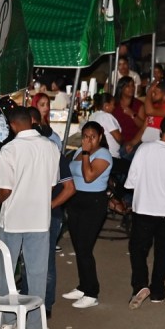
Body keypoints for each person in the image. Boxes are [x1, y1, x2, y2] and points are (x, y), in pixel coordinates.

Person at [0, 107, 58, 329]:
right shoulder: (50, 147)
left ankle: (7, 321)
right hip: (39, 219)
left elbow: (5, 190)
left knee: (6, 271)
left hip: (12, 219)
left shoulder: (9, 149)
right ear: (31, 121)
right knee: (37, 273)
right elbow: (51, 184)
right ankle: (35, 327)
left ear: (12, 125)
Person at [126, 116, 165, 309]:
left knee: (138, 250)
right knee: (163, 252)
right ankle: (157, 291)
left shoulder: (143, 149)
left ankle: (140, 285)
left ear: (161, 130)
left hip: (142, 209)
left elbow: (131, 181)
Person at [62, 121, 112, 309]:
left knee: (84, 248)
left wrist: (85, 153)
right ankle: (83, 286)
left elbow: (89, 176)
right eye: (85, 136)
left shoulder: (103, 154)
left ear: (100, 137)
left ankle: (92, 292)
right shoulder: (78, 151)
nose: (88, 140)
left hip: (93, 203)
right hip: (76, 201)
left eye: (92, 136)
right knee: (79, 246)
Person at [139, 80, 165, 144]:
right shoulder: (154, 106)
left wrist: (149, 93)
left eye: (155, 93)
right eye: (152, 93)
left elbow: (149, 111)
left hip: (159, 146)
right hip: (146, 144)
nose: (152, 95)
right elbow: (143, 128)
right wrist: (132, 143)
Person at [112, 77, 145, 158]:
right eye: (128, 86)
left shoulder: (139, 105)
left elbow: (143, 126)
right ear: (121, 88)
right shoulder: (114, 104)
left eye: (132, 85)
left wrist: (132, 114)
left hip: (134, 142)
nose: (131, 88)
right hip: (117, 141)